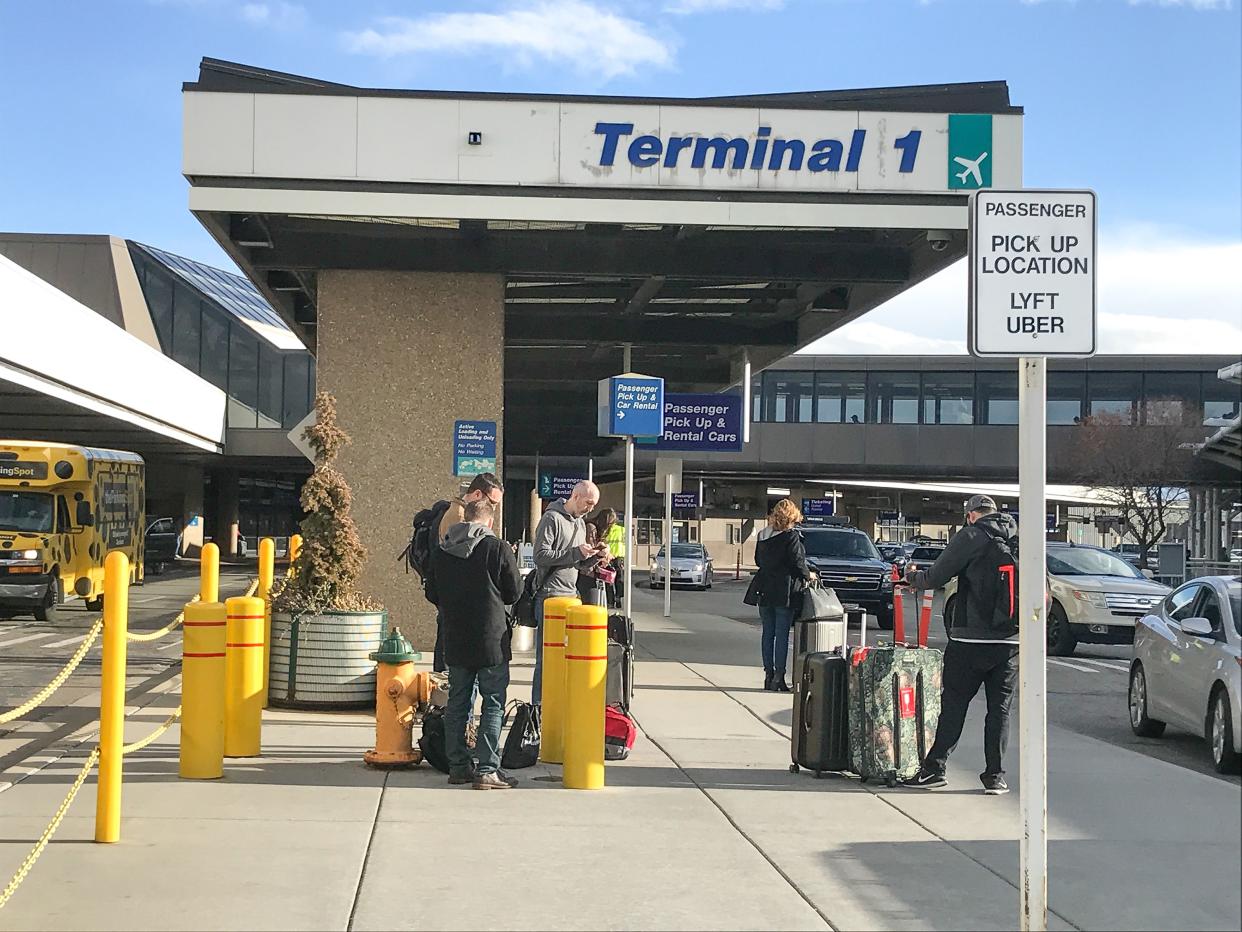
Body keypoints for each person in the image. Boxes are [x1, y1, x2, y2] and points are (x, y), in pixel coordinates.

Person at [902, 493, 1019, 796]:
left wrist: (913, 578)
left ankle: (935, 768)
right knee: (1000, 710)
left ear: (971, 515)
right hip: (1010, 642)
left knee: (954, 702)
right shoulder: (1021, 540)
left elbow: (936, 576)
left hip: (970, 638)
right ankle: (995, 776)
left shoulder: (970, 536)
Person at [426, 499, 523, 790]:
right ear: (489, 522)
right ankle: (487, 769)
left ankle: (458, 766)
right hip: (491, 639)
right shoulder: (497, 548)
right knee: (493, 702)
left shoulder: (442, 551)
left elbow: (432, 592)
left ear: (464, 519)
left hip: (455, 637)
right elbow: (514, 591)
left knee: (458, 702)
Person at [531, 480, 605, 704]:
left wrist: (594, 557)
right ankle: (539, 705)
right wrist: (575, 552)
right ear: (575, 496)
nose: (590, 509)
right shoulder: (552, 518)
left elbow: (578, 564)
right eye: (588, 503)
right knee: (547, 659)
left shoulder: (581, 524)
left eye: (594, 505)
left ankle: (559, 704)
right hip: (550, 595)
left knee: (567, 658)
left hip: (571, 595)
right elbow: (540, 556)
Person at [430, 473, 505, 673]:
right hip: (457, 599)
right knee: (452, 667)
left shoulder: (457, 513)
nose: (494, 509)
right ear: (478, 494)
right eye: (492, 502)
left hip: (453, 597)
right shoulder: (459, 517)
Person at [749, 498, 811, 692]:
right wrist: (809, 575)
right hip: (784, 589)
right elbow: (797, 562)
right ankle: (779, 677)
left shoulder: (763, 535)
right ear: (793, 516)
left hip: (764, 587)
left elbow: (758, 561)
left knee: (768, 633)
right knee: (782, 634)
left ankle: (768, 675)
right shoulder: (791, 536)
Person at [597, 509, 626, 609]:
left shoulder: (620, 530)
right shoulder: (605, 530)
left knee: (616, 580)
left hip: (617, 557)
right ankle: (612, 600)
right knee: (611, 580)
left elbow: (627, 543)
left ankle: (616, 598)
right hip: (609, 557)